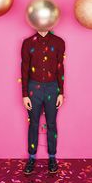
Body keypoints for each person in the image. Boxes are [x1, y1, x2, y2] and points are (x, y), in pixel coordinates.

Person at [21, 29, 65, 174]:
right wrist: (25, 94)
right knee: (33, 123)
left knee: (51, 123)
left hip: (52, 88)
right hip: (34, 88)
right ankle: (31, 158)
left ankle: (52, 158)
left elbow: (60, 69)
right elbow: (24, 69)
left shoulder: (59, 42)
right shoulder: (27, 43)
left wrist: (61, 93)